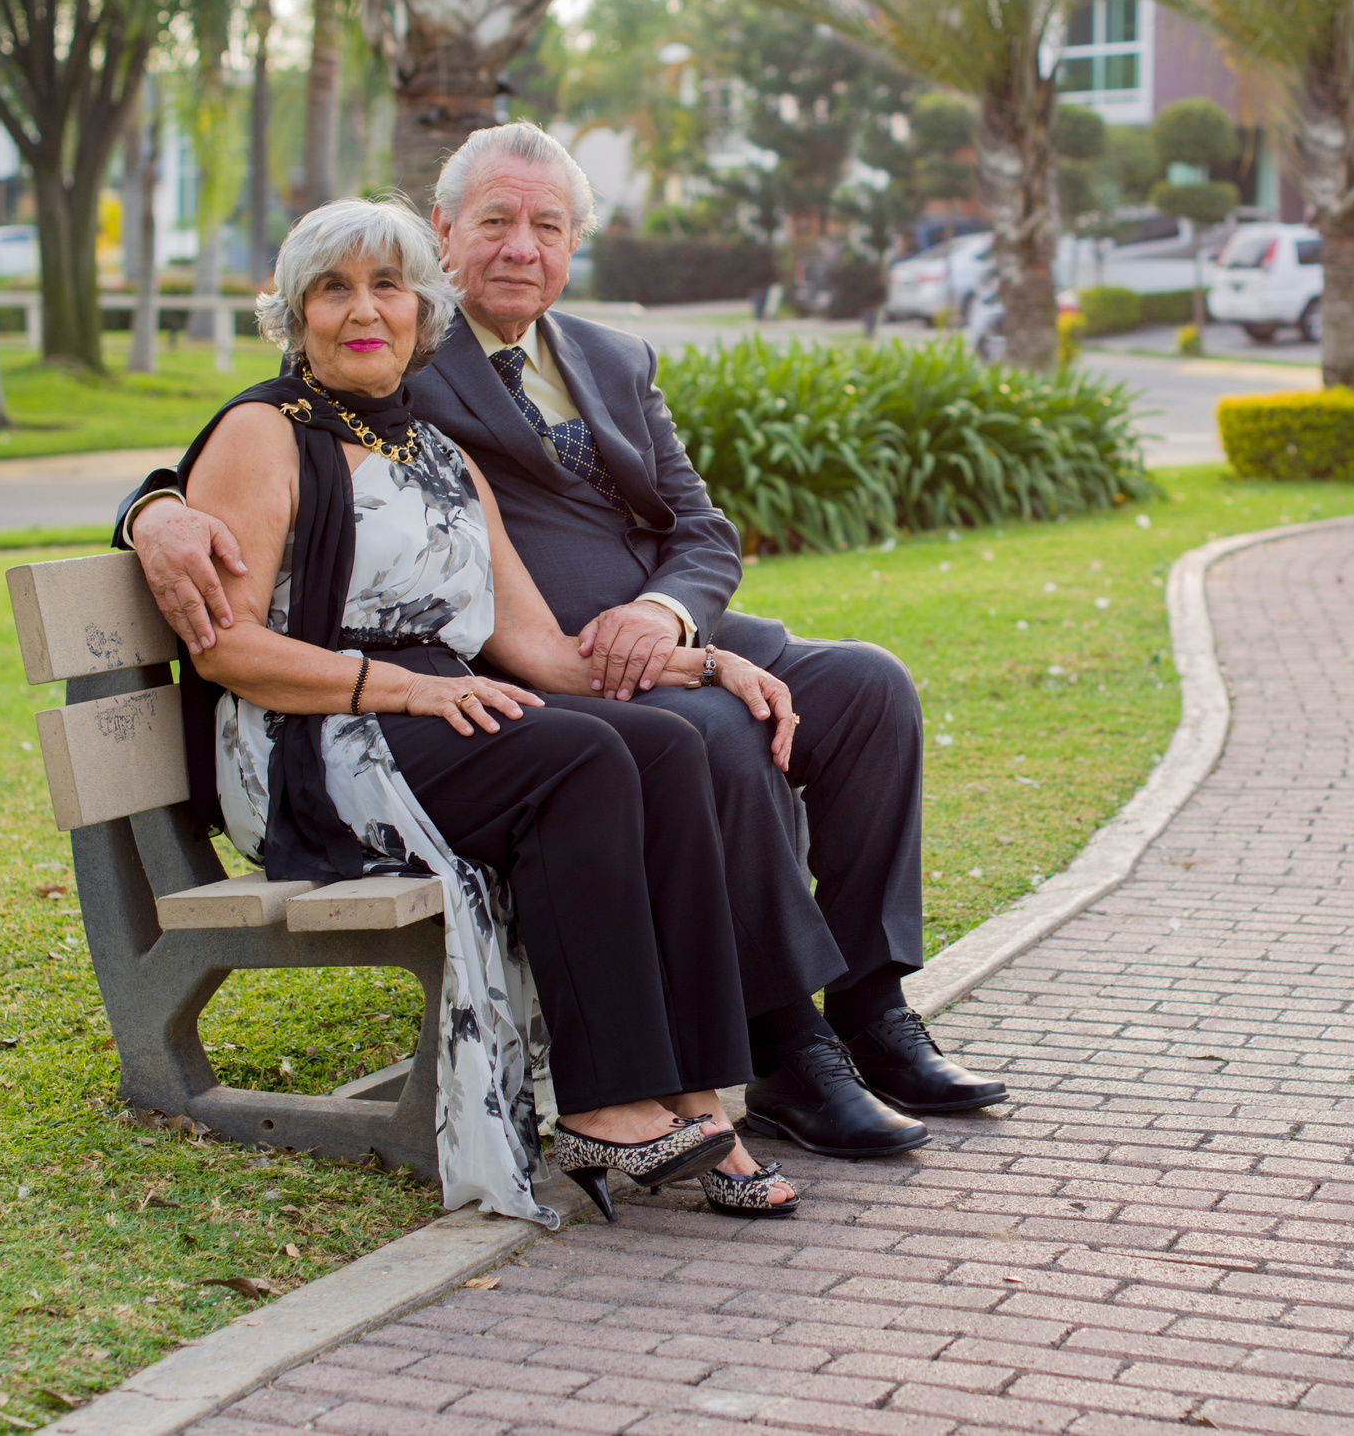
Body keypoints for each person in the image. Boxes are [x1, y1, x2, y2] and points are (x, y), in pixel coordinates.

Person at [119, 124, 1006, 1160]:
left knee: (868, 687)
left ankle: (871, 1008)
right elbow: (260, 429)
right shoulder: (397, 339)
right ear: (443, 231)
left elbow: (701, 527)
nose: (521, 246)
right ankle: (784, 1046)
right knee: (713, 735)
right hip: (530, 666)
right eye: (494, 220)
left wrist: (672, 619)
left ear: (575, 241)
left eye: (547, 225)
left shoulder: (609, 358)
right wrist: (152, 509)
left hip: (649, 638)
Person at [172, 196, 800, 1224]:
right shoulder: (260, 433)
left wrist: (707, 663)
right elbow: (226, 647)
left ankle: (692, 1092)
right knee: (578, 760)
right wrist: (411, 686)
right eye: (332, 289)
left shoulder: (441, 454)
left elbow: (543, 653)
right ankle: (601, 1103)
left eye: (387, 286)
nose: (363, 310)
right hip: (314, 736)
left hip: (440, 714)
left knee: (662, 745)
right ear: (294, 315)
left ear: (423, 309)